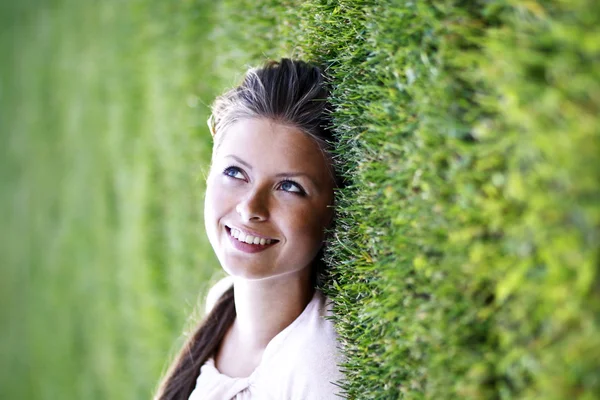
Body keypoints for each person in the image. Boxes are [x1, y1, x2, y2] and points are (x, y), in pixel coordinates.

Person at [155, 58, 344, 400]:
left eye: (289, 187)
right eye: (235, 173)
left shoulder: (316, 372)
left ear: (332, 206)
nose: (249, 208)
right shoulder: (222, 304)